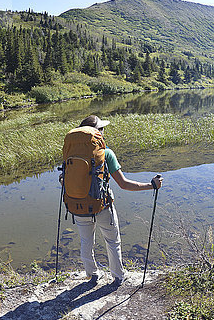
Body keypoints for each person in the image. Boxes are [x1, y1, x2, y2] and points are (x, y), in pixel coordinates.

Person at [61, 115, 163, 286]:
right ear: (97, 133)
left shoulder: (70, 152)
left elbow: (64, 180)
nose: (103, 132)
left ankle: (92, 275)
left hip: (77, 206)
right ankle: (118, 277)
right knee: (112, 242)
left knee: (86, 241)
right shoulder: (106, 153)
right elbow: (123, 184)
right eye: (101, 129)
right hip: (102, 206)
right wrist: (151, 185)